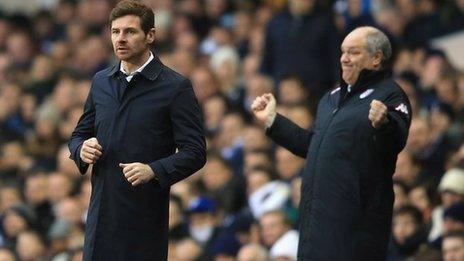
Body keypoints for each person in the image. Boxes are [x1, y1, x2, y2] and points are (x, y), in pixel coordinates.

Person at [252, 26, 412, 260]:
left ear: (376, 58)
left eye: (354, 52)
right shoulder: (331, 98)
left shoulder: (391, 95)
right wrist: (274, 122)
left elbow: (396, 139)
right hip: (315, 224)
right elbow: (313, 146)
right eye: (343, 52)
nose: (344, 59)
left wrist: (384, 123)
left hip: (355, 226)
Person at [68, 1, 206, 260]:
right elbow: (79, 134)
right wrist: (81, 149)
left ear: (150, 35)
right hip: (101, 216)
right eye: (115, 31)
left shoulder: (175, 87)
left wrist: (154, 169)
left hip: (144, 220)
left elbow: (196, 152)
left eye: (130, 32)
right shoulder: (101, 81)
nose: (120, 39)